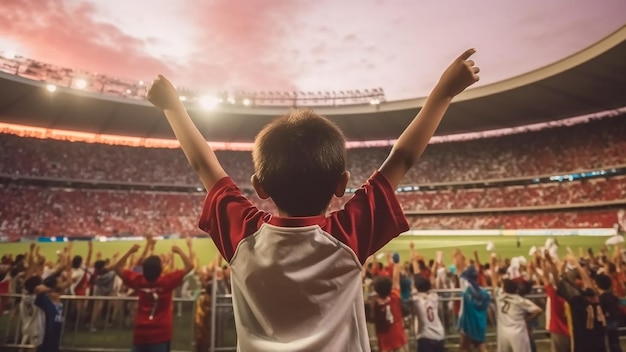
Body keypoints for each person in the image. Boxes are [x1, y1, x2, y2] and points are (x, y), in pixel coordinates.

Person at [146, 49, 480, 351]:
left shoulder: (242, 236)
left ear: (259, 187)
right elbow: (402, 158)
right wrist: (444, 92)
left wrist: (171, 106)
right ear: (342, 184)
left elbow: (204, 164)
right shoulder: (347, 236)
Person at [114, 239, 194, 352]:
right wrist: (179, 250)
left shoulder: (138, 280)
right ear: (161, 270)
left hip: (140, 332)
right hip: (161, 333)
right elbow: (190, 266)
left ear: (143, 270)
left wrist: (130, 252)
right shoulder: (167, 281)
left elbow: (117, 267)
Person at [491, 253, 542, 352]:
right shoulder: (519, 300)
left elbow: (493, 280)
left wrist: (492, 263)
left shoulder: (499, 295)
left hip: (503, 333)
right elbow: (538, 310)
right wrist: (527, 319)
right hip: (518, 334)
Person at [371, 260, 407, 352]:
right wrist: (396, 263)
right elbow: (396, 280)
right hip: (397, 335)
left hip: (384, 338)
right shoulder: (394, 297)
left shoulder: (375, 304)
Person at [457, 265, 490, 352]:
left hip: (467, 323)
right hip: (479, 324)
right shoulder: (485, 293)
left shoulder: (467, 289)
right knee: (481, 346)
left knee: (464, 348)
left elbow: (461, 274)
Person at [411, 270, 445, 352]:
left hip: (426, 337)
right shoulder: (434, 297)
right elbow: (431, 286)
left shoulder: (417, 300)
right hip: (440, 335)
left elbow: (414, 292)